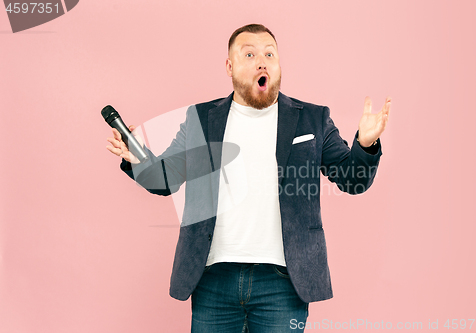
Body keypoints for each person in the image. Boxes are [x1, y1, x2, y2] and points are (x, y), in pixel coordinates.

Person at [106, 24, 391, 333]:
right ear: (230, 66)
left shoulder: (313, 118)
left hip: (283, 282)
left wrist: (365, 144)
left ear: (279, 64)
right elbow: (167, 179)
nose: (261, 61)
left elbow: (353, 180)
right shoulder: (201, 118)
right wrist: (139, 161)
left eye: (269, 54)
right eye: (250, 54)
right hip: (213, 279)